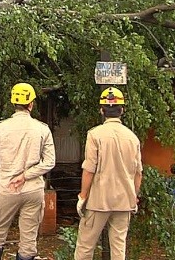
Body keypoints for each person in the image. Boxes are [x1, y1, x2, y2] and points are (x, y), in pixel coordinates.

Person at [0, 82, 56, 260]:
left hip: (7, 190)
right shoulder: (42, 129)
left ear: (13, 103)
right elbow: (49, 162)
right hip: (33, 191)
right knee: (28, 241)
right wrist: (26, 176)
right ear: (31, 104)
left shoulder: (0, 128)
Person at [74, 86, 143, 260]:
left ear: (102, 110)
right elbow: (138, 173)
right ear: (122, 110)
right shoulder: (132, 137)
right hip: (124, 201)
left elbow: (89, 169)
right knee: (119, 248)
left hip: (98, 200)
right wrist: (134, 196)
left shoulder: (95, 135)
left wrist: (83, 196)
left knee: (85, 246)